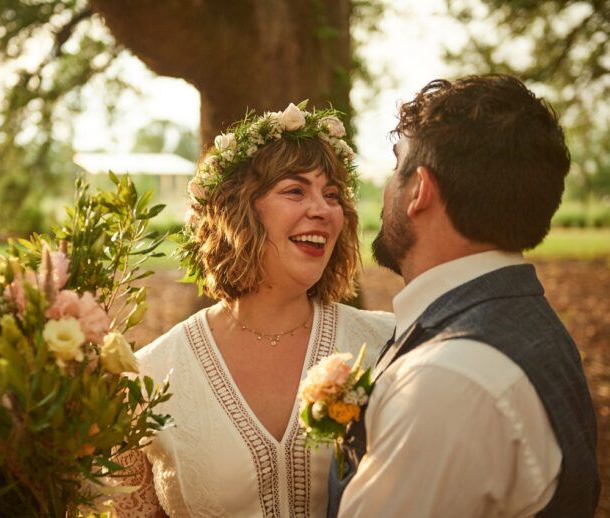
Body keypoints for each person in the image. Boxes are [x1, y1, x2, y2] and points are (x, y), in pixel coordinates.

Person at [327, 75, 600, 517]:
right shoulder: (521, 321)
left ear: (419, 191)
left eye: (397, 168)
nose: (385, 192)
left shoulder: (446, 382)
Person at [112, 103, 394, 517]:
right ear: (238, 212)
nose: (323, 209)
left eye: (331, 194)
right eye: (295, 190)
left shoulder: (387, 344)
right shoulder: (150, 376)